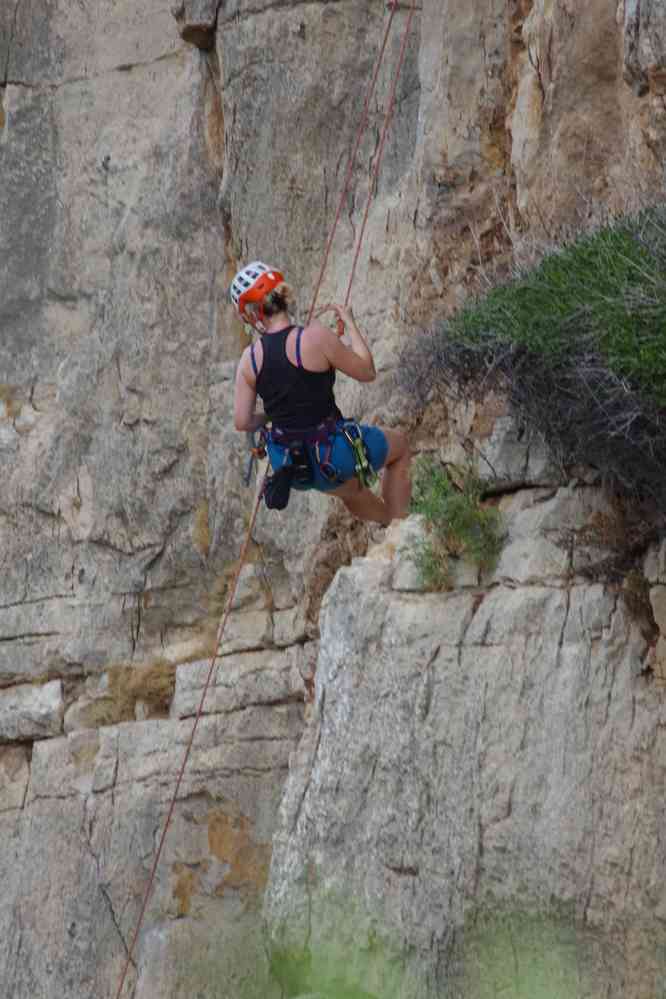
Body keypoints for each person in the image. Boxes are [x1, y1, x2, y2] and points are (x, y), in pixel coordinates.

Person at [231, 262, 411, 525]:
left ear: (252, 313)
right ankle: (403, 532)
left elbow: (242, 422)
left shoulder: (249, 360)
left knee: (351, 490)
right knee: (401, 447)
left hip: (294, 467)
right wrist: (349, 322)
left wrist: (275, 413)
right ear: (281, 295)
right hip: (333, 452)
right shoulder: (315, 337)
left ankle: (391, 527)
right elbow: (367, 371)